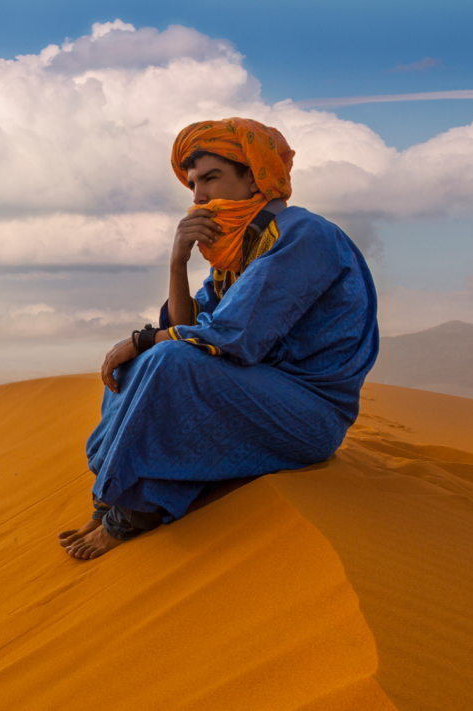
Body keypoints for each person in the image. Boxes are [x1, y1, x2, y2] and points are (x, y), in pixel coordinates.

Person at [59, 117, 379, 560]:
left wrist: (143, 339)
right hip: (255, 394)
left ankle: (136, 510)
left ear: (255, 177)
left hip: (310, 414)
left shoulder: (303, 235)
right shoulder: (235, 251)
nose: (199, 197)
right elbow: (193, 326)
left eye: (211, 178)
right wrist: (177, 263)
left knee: (166, 359)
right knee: (143, 362)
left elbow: (234, 337)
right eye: (192, 184)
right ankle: (112, 494)